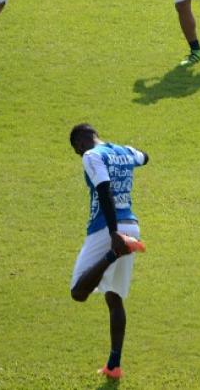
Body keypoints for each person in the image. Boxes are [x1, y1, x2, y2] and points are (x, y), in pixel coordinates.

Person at [68, 124, 149, 380]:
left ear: (80, 144)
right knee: (114, 297)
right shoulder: (123, 151)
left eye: (76, 150)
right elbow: (145, 157)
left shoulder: (92, 156)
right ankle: (114, 366)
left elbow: (103, 189)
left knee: (78, 292)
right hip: (132, 227)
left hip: (107, 229)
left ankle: (114, 253)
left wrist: (114, 235)